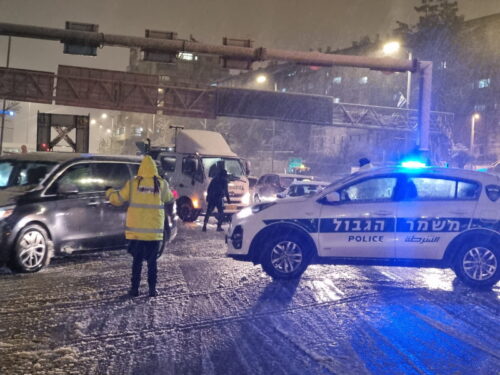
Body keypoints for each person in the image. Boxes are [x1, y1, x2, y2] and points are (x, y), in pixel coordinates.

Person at [106, 155, 173, 298]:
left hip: (136, 233)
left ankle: (134, 289)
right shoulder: (161, 184)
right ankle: (152, 290)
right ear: (154, 169)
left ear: (141, 168)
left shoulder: (133, 184)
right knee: (152, 262)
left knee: (137, 262)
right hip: (153, 233)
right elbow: (169, 198)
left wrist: (109, 192)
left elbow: (118, 199)